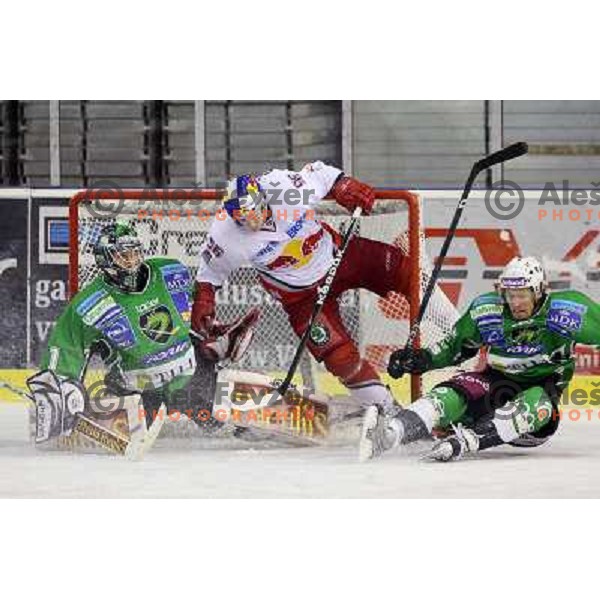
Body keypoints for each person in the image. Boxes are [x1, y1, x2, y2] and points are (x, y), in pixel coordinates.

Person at [192, 161, 415, 411]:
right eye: (242, 217)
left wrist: (342, 184)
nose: (251, 220)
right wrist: (204, 301)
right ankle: (388, 409)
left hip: (340, 255)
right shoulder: (225, 233)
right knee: (338, 357)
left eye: (254, 210)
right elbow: (209, 273)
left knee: (407, 272)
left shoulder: (283, 188)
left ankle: (450, 342)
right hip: (300, 297)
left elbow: (319, 173)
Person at [28, 222, 256, 451]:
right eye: (122, 256)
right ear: (105, 260)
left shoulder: (170, 271)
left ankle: (244, 417)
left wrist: (212, 333)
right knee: (130, 437)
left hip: (189, 378)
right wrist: (61, 389)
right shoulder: (88, 305)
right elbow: (66, 348)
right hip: (138, 392)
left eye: (135, 252)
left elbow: (197, 313)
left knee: (222, 422)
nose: (132, 261)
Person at [360, 256, 600, 462]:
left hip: (538, 412)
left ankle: (466, 442)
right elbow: (455, 349)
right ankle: (391, 433)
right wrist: (421, 359)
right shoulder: (487, 311)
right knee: (450, 393)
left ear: (537, 291)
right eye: (509, 294)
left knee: (539, 400)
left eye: (522, 295)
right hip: (494, 384)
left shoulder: (569, 310)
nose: (515, 302)